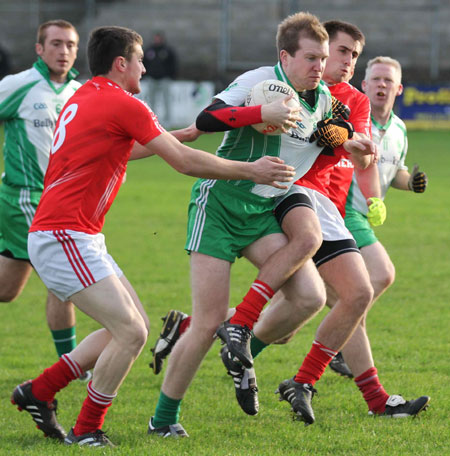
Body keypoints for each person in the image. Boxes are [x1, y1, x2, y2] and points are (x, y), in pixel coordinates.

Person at [10, 25, 295, 448]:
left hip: (75, 234)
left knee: (132, 327)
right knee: (130, 332)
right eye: (139, 59)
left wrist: (171, 137)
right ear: (121, 63)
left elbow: (119, 149)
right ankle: (87, 428)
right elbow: (182, 164)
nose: (144, 66)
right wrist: (251, 169)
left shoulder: (85, 95)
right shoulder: (123, 102)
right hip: (62, 234)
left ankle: (39, 391)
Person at [152, 20, 428, 425]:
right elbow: (209, 119)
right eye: (318, 56)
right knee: (215, 319)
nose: (324, 65)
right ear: (287, 56)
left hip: (267, 208)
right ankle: (164, 418)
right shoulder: (261, 80)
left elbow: (333, 131)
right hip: (223, 205)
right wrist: (262, 111)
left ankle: (242, 338)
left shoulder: (323, 99)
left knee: (310, 298)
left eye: (328, 57)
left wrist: (349, 141)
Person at [328, 55, 428, 377]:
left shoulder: (399, 129)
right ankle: (339, 339)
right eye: (376, 79)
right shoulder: (354, 119)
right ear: (364, 84)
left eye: (388, 80)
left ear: (399, 88)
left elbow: (394, 172)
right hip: (341, 212)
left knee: (296, 306)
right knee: (380, 275)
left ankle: (195, 325)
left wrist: (411, 183)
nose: (381, 84)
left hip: (362, 216)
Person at [0, 20, 90, 374]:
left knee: (7, 290)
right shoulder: (19, 86)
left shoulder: (79, 93)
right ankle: (72, 366)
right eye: (55, 44)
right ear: (39, 49)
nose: (63, 51)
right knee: (61, 278)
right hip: (25, 198)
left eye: (70, 45)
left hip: (63, 200)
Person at [142, 31, 177, 127]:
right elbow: (143, 63)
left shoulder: (167, 50)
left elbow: (173, 64)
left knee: (166, 101)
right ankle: (151, 120)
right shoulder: (149, 50)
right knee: (151, 101)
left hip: (164, 79)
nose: (156, 40)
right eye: (155, 38)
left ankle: (167, 122)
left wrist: (171, 76)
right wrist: (144, 75)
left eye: (158, 38)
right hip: (151, 79)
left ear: (162, 39)